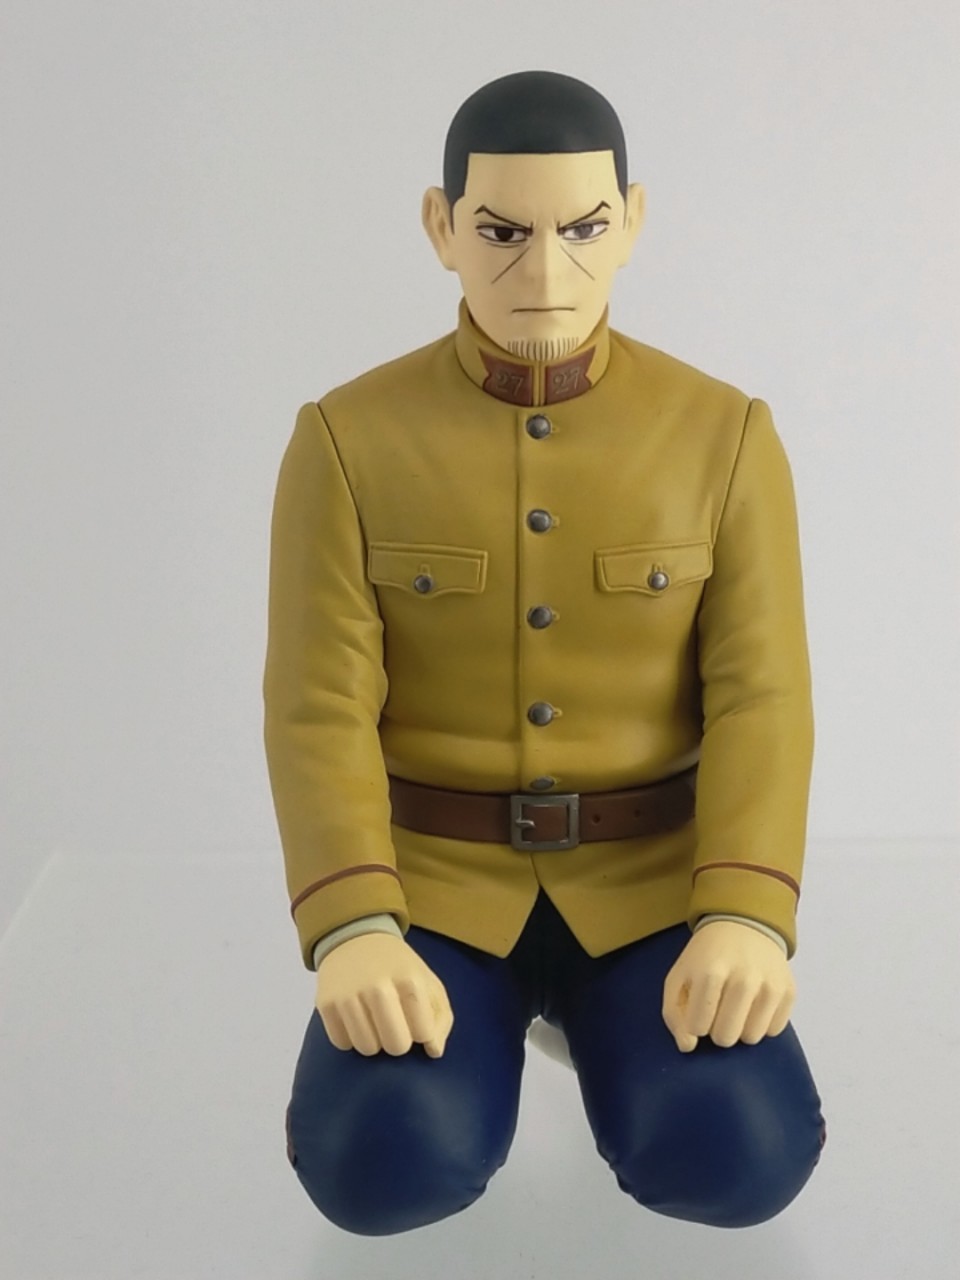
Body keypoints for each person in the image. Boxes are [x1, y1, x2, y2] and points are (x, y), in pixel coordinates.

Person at [263, 69, 826, 1236]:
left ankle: (598, 1025)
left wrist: (744, 910)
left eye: (582, 228)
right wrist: (354, 922)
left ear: (633, 222)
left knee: (739, 1150)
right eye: (502, 233)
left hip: (648, 884)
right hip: (435, 883)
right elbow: (319, 705)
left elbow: (762, 696)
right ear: (440, 228)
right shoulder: (347, 438)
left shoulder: (723, 434)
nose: (546, 271)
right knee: (383, 1161)